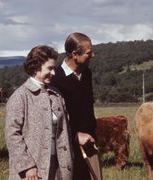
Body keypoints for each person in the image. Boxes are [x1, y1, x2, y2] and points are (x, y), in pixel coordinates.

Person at [5, 45, 73, 180]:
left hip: (59, 166)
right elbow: (12, 134)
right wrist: (27, 166)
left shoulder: (57, 94)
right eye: (50, 68)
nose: (54, 73)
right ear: (36, 68)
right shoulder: (20, 96)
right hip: (32, 171)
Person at [51, 32, 99, 180]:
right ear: (74, 54)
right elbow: (54, 120)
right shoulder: (54, 79)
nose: (92, 56)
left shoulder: (87, 74)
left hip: (89, 144)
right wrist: (76, 136)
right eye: (88, 53)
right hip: (65, 147)